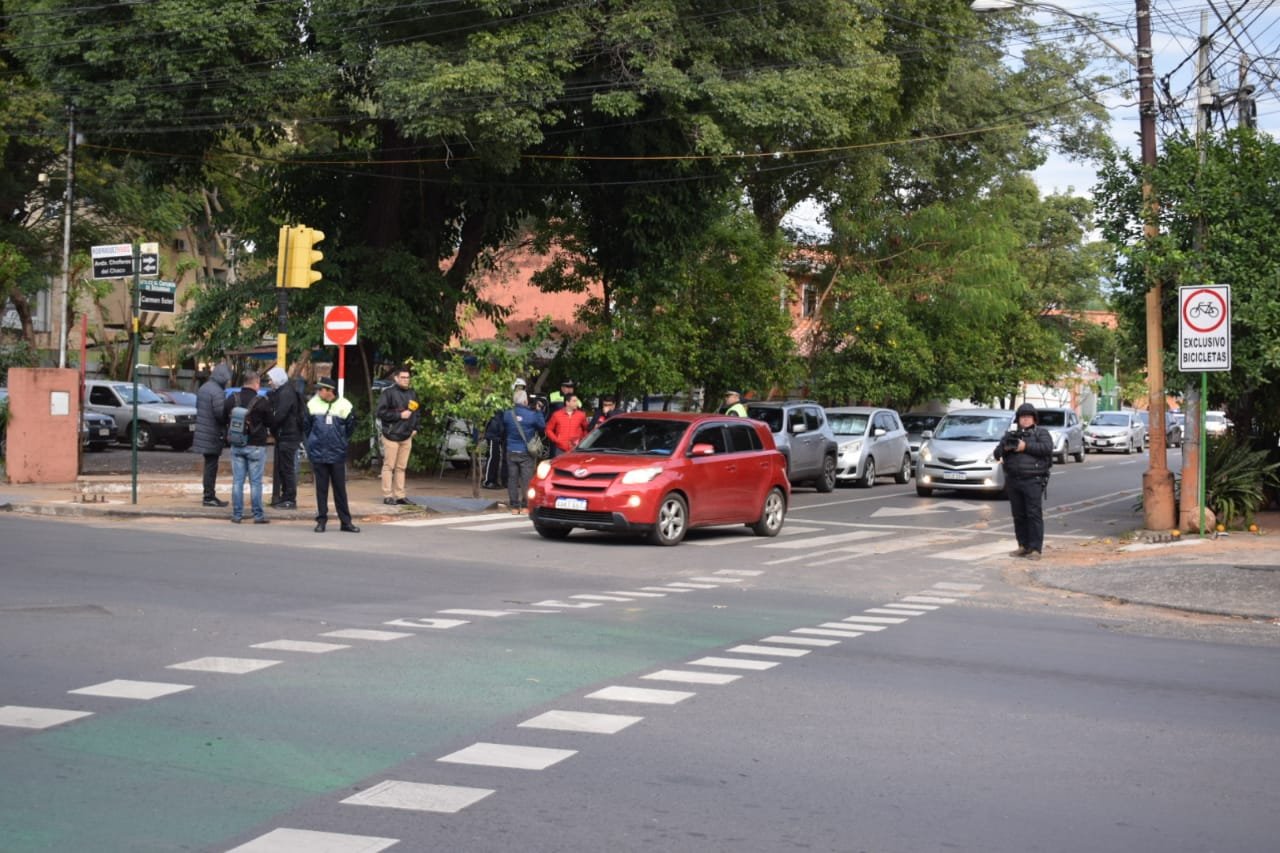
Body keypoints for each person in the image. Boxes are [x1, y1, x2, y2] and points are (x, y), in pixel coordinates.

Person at [993, 402, 1054, 560]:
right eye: (1022, 417)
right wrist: (1005, 448)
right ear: (1018, 419)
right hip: (1013, 480)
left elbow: (1046, 448)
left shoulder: (1041, 433)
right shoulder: (1010, 434)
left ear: (1034, 419)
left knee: (1033, 514)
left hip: (1033, 479)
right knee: (1018, 515)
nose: (1025, 420)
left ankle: (1035, 549)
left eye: (1028, 417)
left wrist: (1025, 446)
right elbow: (996, 453)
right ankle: (1023, 545)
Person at [304, 376, 360, 533]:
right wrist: (313, 443)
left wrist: (341, 441)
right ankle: (321, 521)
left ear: (330, 391)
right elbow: (306, 426)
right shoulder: (312, 404)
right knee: (321, 490)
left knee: (340, 490)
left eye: (320, 389)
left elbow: (350, 427)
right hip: (319, 453)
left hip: (337, 453)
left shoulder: (345, 405)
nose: (318, 391)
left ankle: (346, 522)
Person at [223, 370, 271, 524]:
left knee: (237, 481)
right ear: (256, 383)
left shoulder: (232, 399)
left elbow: (223, 417)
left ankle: (237, 515)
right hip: (256, 446)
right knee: (255, 482)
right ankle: (258, 515)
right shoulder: (262, 401)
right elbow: (271, 422)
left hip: (237, 444)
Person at [376, 365, 420, 506]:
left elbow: (417, 412)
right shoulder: (387, 393)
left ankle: (400, 495)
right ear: (396, 378)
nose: (406, 380)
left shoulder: (412, 393)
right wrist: (399, 415)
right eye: (403, 377)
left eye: (408, 378)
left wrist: (415, 427)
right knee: (389, 466)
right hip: (391, 434)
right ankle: (387, 495)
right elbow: (380, 413)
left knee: (401, 467)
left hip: (406, 435)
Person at [194, 362, 232, 507]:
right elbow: (219, 413)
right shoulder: (217, 391)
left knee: (209, 465)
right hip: (212, 434)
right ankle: (209, 496)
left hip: (204, 432)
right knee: (211, 466)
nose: (228, 382)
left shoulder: (204, 388)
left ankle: (208, 494)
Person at [502, 389, 545, 515]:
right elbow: (542, 426)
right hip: (526, 451)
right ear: (525, 400)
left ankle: (514, 507)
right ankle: (525, 506)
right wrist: (538, 411)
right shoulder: (531, 415)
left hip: (511, 449)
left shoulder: (507, 414)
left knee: (512, 478)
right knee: (526, 479)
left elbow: (503, 427)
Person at [266, 366, 303, 509]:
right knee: (284, 468)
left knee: (287, 469)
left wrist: (271, 425)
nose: (269, 382)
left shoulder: (286, 393)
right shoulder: (284, 391)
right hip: (286, 436)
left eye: (270, 379)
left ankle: (290, 498)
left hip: (288, 436)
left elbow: (280, 415)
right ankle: (285, 496)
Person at [481, 408, 507, 489]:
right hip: (494, 434)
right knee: (493, 457)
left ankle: (492, 480)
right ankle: (488, 481)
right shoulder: (498, 407)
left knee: (495, 458)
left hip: (496, 434)